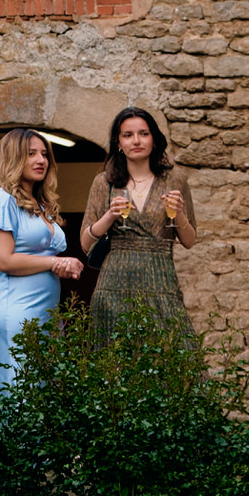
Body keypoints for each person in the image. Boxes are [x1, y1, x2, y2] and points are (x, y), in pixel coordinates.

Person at [0, 129, 84, 392]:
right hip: (12, 305)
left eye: (44, 154)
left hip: (42, 308)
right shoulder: (3, 200)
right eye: (31, 154)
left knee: (40, 394)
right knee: (17, 392)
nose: (41, 160)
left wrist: (63, 267)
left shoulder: (41, 204)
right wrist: (54, 264)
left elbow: (41, 255)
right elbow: (2, 260)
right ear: (12, 158)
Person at [80, 107, 199, 342]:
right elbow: (85, 243)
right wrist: (109, 216)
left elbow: (189, 240)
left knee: (173, 352)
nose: (136, 141)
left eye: (144, 133)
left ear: (154, 139)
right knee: (115, 356)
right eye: (128, 135)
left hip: (161, 281)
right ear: (118, 143)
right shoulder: (104, 182)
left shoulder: (175, 179)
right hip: (114, 283)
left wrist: (179, 215)